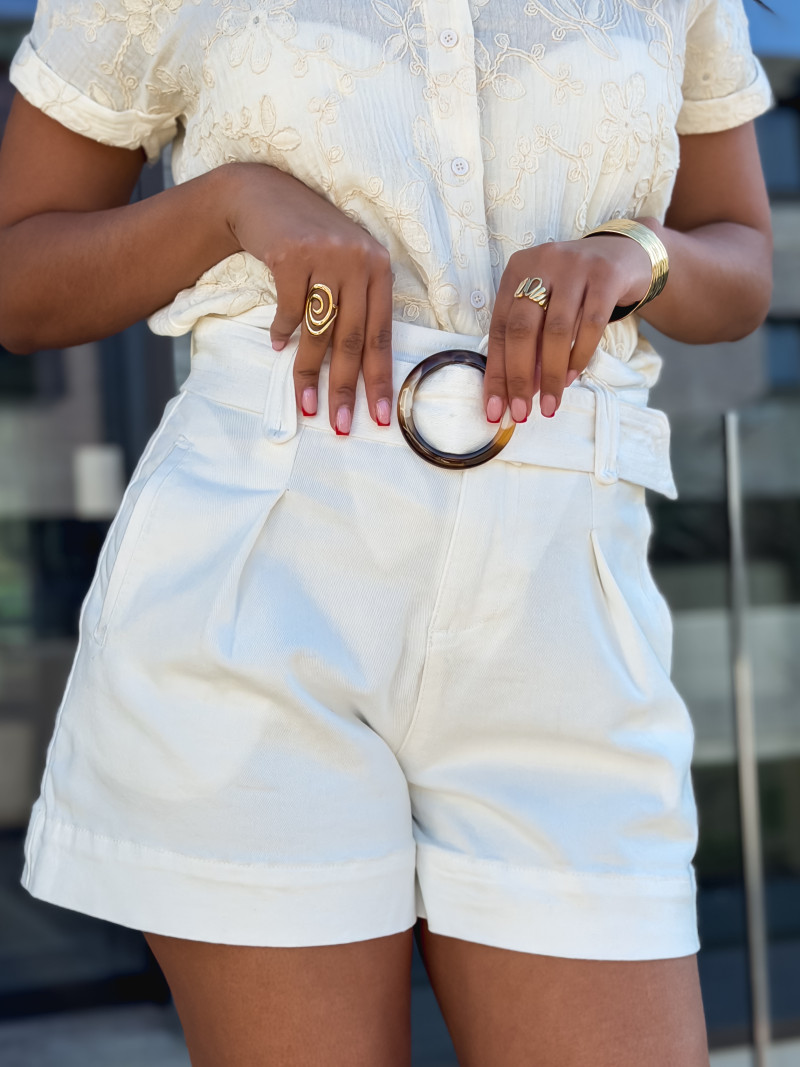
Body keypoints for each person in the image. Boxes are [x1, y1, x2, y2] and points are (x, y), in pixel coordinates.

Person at [0, 1, 774, 1063]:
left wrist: (632, 253)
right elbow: (20, 276)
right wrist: (229, 206)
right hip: (263, 579)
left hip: (560, 606)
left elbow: (740, 258)